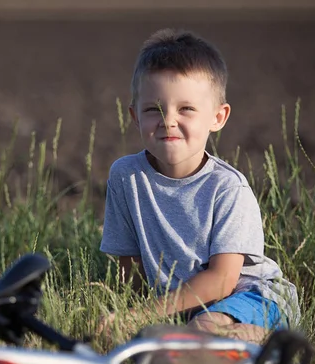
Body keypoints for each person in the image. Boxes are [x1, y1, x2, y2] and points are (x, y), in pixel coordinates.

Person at [98, 28, 300, 344]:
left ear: (218, 117)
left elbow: (222, 281)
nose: (168, 120)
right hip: (191, 307)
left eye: (186, 109)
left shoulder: (227, 188)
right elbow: (132, 271)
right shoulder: (126, 177)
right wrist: (127, 316)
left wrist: (142, 315)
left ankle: (286, 350)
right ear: (135, 116)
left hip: (254, 295)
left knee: (202, 333)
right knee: (173, 341)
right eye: (154, 109)